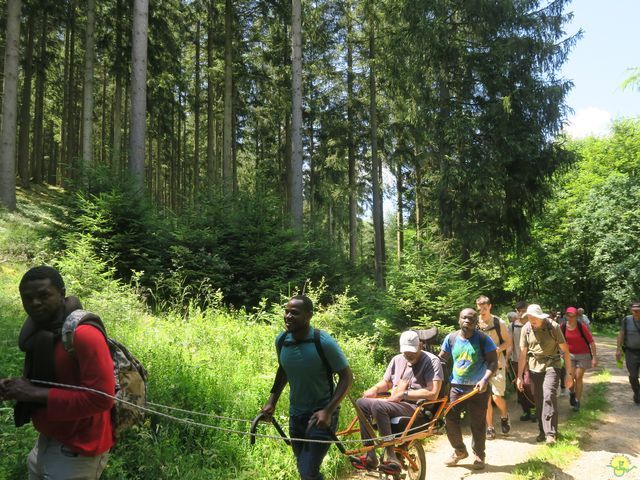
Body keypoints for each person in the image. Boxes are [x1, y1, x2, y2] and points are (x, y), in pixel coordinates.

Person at [0, 266, 114, 479]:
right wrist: (16, 386)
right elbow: (55, 379)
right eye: (28, 298)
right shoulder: (41, 333)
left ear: (62, 293)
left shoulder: (84, 334)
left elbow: (102, 398)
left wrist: (31, 393)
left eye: (44, 295)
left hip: (79, 448)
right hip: (48, 438)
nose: (35, 303)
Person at [261, 295, 353, 480]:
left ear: (309, 315)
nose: (288, 316)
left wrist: (328, 411)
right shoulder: (282, 341)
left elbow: (346, 377)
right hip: (296, 415)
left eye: (294, 313)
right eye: (286, 312)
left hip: (321, 416)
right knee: (305, 468)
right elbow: (283, 371)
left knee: (307, 472)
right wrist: (272, 402)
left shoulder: (322, 341)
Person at [352, 331, 443, 472]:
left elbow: (433, 393)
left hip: (416, 408)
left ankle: (391, 456)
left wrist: (403, 394)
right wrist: (374, 389)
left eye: (412, 352)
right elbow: (387, 383)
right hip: (394, 404)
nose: (409, 355)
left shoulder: (431, 361)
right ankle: (370, 454)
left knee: (378, 406)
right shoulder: (397, 360)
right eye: (405, 352)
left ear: (420, 345)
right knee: (361, 403)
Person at [439, 308, 498, 470]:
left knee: (477, 424)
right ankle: (459, 451)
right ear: (459, 320)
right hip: (456, 387)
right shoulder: (451, 338)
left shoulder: (483, 339)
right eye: (464, 318)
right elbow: (441, 360)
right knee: (450, 420)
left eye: (471, 319)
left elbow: (493, 362)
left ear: (476, 322)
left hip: (478, 389)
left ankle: (479, 455)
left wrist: (485, 379)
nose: (467, 321)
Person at [517, 304, 573, 444]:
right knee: (539, 400)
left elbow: (565, 351)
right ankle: (542, 431)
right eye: (529, 317)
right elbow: (523, 354)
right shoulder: (526, 329)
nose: (531, 320)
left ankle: (551, 434)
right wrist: (519, 376)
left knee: (549, 395)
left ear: (541, 317)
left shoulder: (553, 326)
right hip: (534, 366)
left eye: (534, 317)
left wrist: (569, 374)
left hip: (552, 364)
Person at [475, 295, 511, 439]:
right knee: (485, 398)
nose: (482, 311)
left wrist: (496, 350)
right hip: (481, 365)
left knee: (496, 397)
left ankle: (504, 416)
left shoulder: (498, 322)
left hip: (497, 363)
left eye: (485, 308)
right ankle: (490, 427)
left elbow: (508, 342)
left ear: (490, 306)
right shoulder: (476, 323)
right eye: (480, 308)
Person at [562, 307, 597, 412]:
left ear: (576, 316)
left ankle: (577, 401)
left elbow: (591, 342)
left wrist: (594, 357)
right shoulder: (562, 327)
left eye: (572, 315)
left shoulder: (581, 327)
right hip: (569, 355)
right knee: (569, 378)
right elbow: (558, 341)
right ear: (566, 316)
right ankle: (572, 393)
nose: (570, 317)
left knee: (578, 377)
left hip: (583, 354)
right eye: (568, 315)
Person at [508, 303, 535, 422]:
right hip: (516, 360)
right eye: (519, 310)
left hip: (531, 361)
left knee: (529, 384)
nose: (521, 312)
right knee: (519, 387)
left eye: (524, 310)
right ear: (516, 311)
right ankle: (526, 411)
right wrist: (506, 360)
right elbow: (510, 345)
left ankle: (535, 408)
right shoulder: (512, 326)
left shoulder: (532, 324)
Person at [616, 302, 640, 404]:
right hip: (631, 352)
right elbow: (621, 334)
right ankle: (637, 393)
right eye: (633, 310)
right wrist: (618, 349)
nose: (635, 312)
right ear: (631, 310)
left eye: (637, 310)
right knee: (633, 376)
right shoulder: (626, 320)